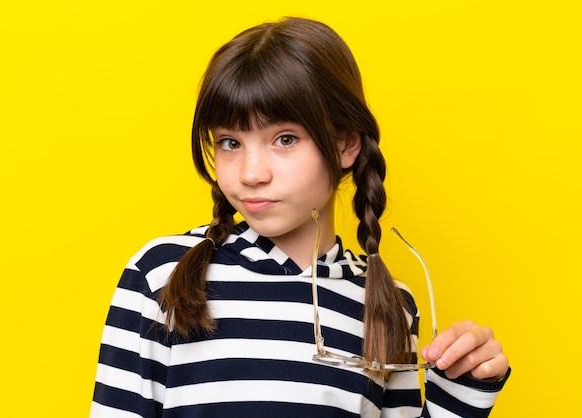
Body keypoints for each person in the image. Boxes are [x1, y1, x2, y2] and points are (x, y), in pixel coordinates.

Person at [91, 17, 510, 417]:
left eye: (284, 139)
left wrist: (462, 394)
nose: (252, 174)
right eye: (229, 142)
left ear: (346, 144)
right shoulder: (162, 273)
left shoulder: (388, 307)